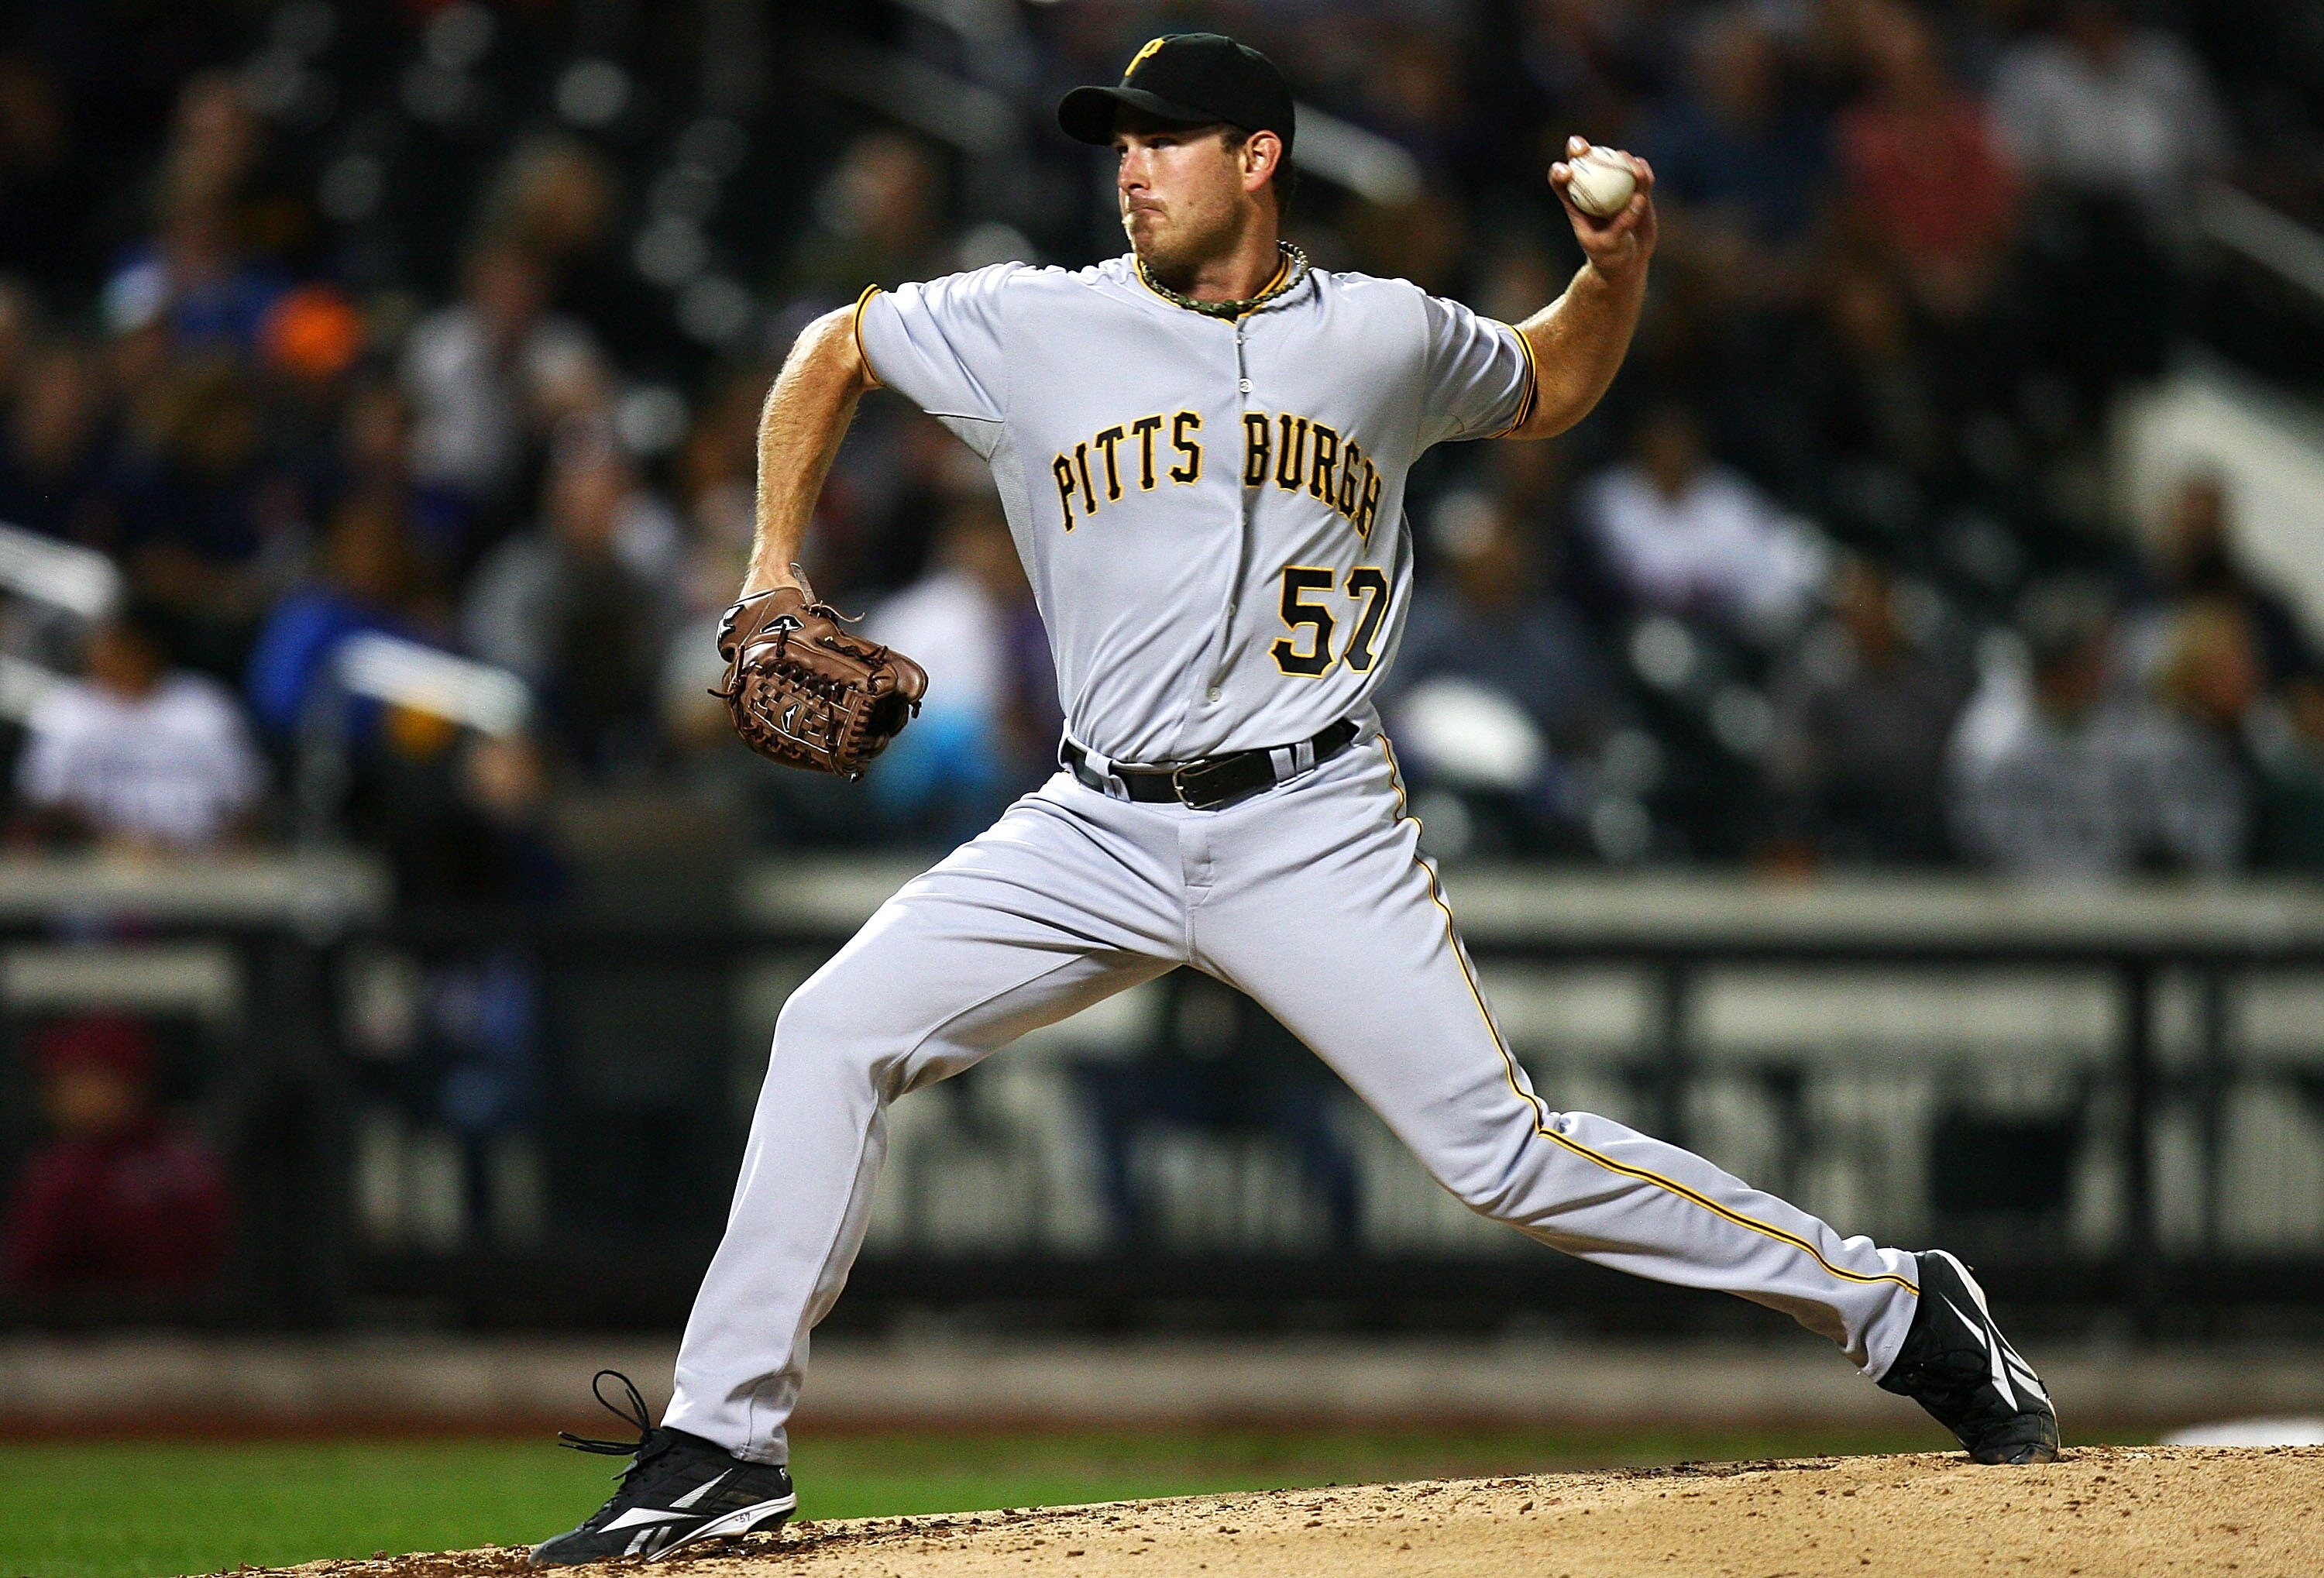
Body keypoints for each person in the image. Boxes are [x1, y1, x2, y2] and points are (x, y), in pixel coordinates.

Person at [530, 33, 2056, 1565]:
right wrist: (770, 565)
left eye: (1165, 139)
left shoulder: (1384, 337)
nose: (1129, 164)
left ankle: (1900, 1304)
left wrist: (1618, 265)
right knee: (830, 1028)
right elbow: (831, 348)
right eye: (1116, 141)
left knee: (1503, 1154)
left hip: (1308, 819)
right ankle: (722, 1445)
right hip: (1094, 821)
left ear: (1257, 157)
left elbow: (1551, 382)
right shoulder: (1030, 320)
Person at [2, 1015, 232, 1293]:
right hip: (79, 1328)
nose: (64, 1095)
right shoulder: (60, 1165)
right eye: (57, 1082)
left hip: (169, 1327)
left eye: (84, 1079)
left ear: (129, 1082)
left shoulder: (185, 1159)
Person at [15, 607, 265, 852]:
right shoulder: (66, 709)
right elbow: (42, 801)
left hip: (202, 861)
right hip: (92, 861)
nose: (106, 657)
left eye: (122, 649)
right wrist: (111, 843)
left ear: (149, 649)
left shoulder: (203, 706)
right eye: (102, 648)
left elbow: (248, 798)